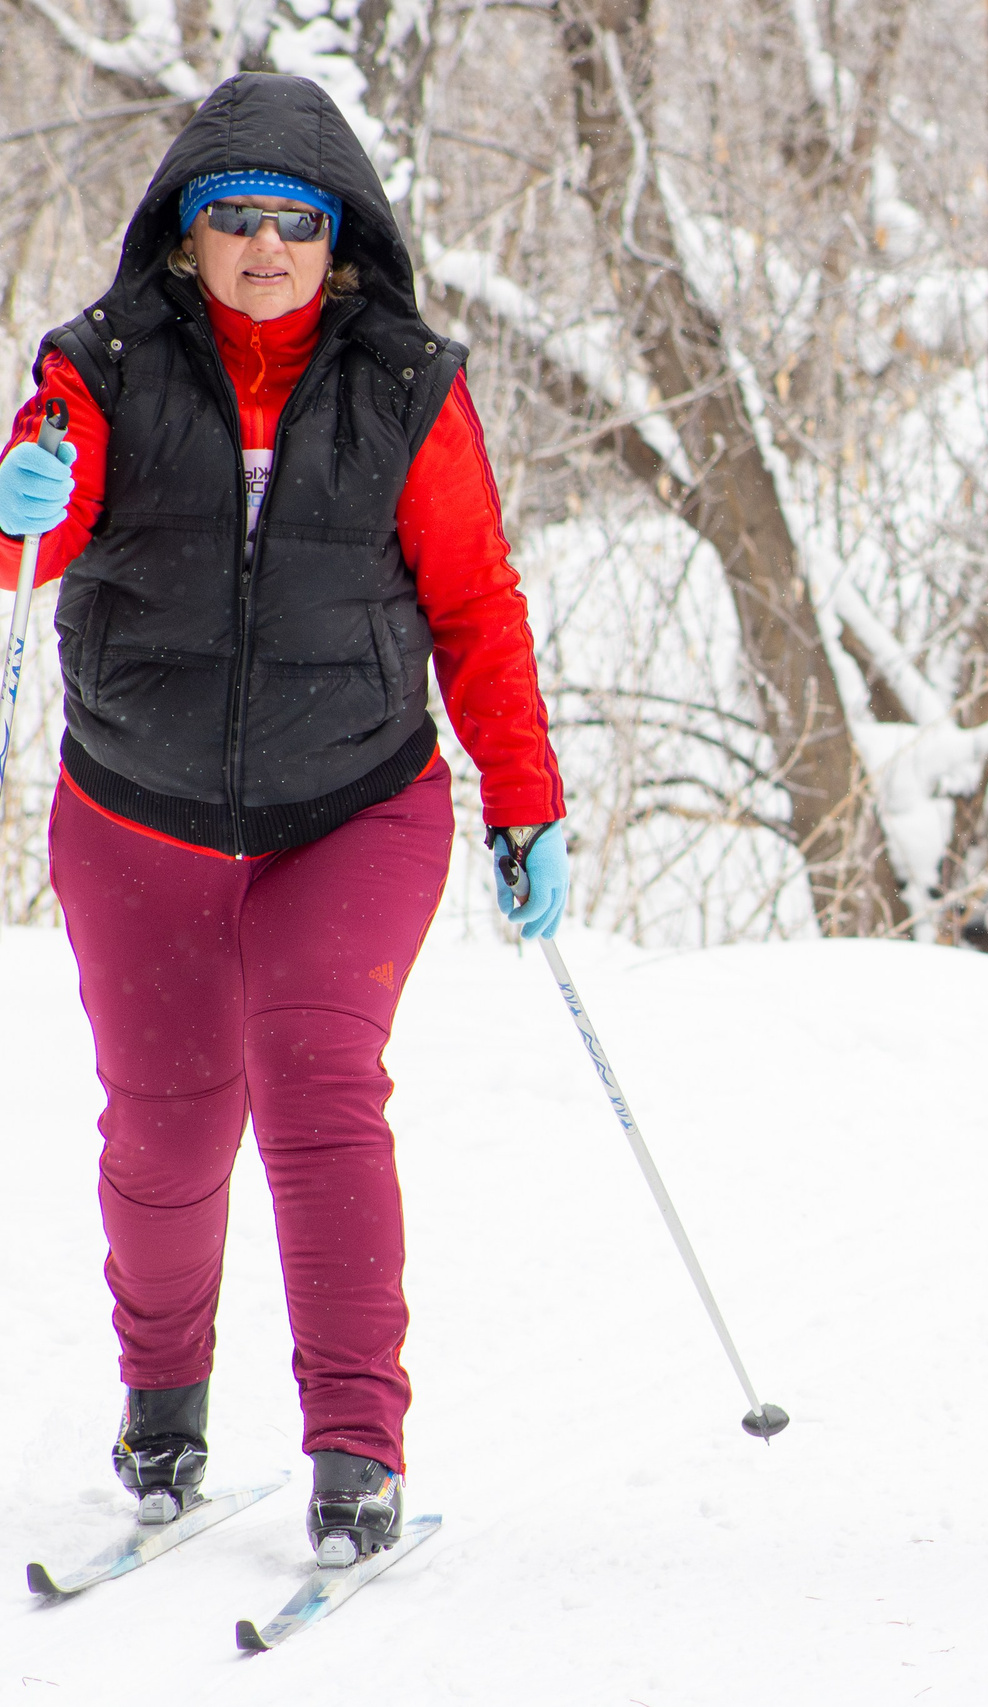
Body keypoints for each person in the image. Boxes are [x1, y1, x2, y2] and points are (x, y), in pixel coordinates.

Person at [0, 73, 567, 1565]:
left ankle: (354, 1447)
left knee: (317, 1083)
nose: (263, 247)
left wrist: (528, 800)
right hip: (141, 812)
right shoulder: (100, 365)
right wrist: (21, 493)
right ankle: (164, 1410)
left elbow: (475, 602)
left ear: (341, 239)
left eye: (293, 223)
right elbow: (32, 527)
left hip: (351, 803)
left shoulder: (406, 384)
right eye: (232, 219)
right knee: (169, 1132)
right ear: (185, 236)